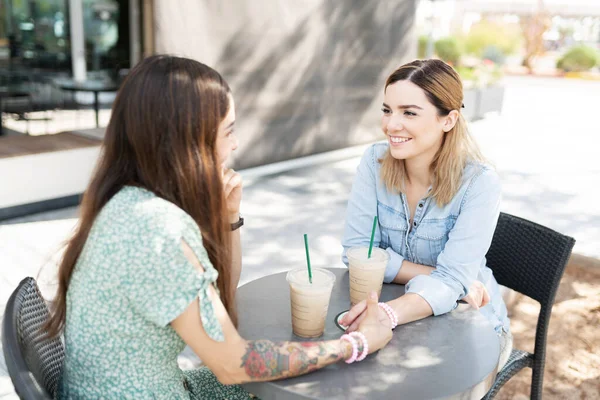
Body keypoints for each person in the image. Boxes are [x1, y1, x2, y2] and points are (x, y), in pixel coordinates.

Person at [47, 55, 393, 399]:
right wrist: (354, 344)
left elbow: (221, 296)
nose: (235, 144)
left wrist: (229, 217)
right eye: (228, 130)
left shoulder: (128, 201)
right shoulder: (157, 230)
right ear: (185, 141)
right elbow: (234, 363)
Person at [340, 59, 512, 369]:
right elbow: (356, 251)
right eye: (387, 110)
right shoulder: (374, 161)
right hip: (416, 311)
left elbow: (450, 281)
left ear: (448, 120)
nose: (391, 125)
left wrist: (388, 313)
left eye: (409, 113)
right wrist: (446, 279)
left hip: (472, 323)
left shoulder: (479, 183)